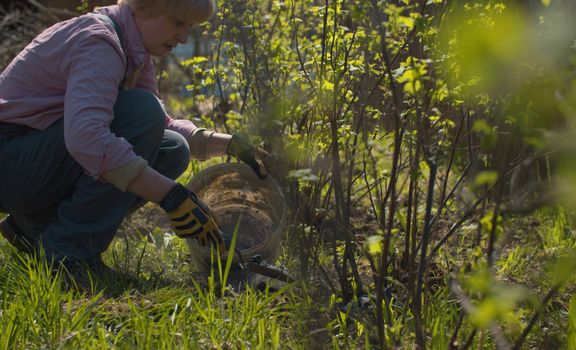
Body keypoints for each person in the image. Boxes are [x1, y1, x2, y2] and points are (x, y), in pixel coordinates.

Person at [0, 0, 266, 268]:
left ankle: (32, 228)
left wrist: (229, 144)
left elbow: (156, 126)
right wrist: (171, 196)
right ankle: (67, 255)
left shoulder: (131, 46)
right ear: (144, 7)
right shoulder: (100, 43)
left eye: (190, 27)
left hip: (28, 158)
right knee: (141, 110)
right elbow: (86, 138)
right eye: (178, 23)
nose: (184, 37)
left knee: (172, 149)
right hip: (9, 159)